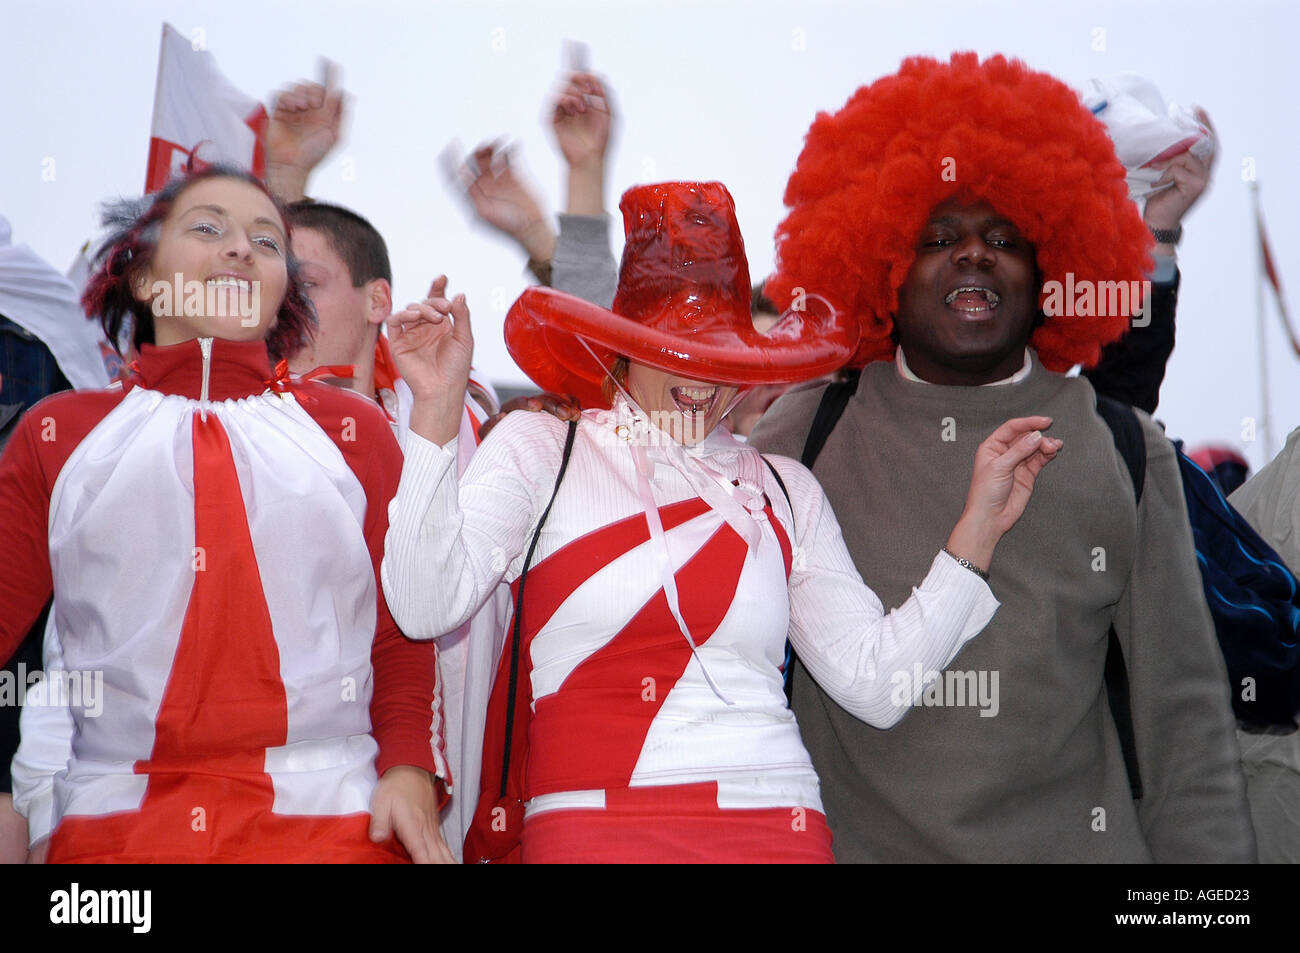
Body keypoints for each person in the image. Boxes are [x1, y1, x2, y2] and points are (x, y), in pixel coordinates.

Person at [381, 180, 1062, 863]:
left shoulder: (785, 489)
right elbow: (421, 603)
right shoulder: (542, 449)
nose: (703, 378)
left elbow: (877, 685)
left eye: (721, 352)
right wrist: (435, 412)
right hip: (588, 829)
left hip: (776, 827)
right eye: (675, 346)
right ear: (623, 341)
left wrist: (978, 528)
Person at [748, 52, 1254, 862]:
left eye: (1004, 237)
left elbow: (1184, 725)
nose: (974, 255)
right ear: (882, 263)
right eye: (937, 236)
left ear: (1051, 266)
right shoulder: (798, 439)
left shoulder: (1123, 445)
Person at [0, 166, 452, 863]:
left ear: (282, 298)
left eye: (267, 242)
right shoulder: (56, 434)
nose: (241, 248)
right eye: (207, 227)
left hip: (335, 821)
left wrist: (407, 765)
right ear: (146, 278)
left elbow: (398, 629)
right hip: (115, 831)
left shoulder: (352, 429)